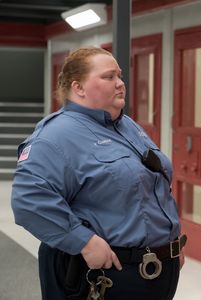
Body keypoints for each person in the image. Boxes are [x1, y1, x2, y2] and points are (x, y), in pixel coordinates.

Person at [11, 47, 186, 300]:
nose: (120, 84)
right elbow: (29, 201)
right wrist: (83, 241)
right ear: (78, 87)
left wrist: (171, 243)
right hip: (103, 275)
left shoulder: (126, 126)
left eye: (120, 76)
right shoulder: (55, 137)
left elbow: (151, 187)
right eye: (109, 77)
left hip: (154, 273)